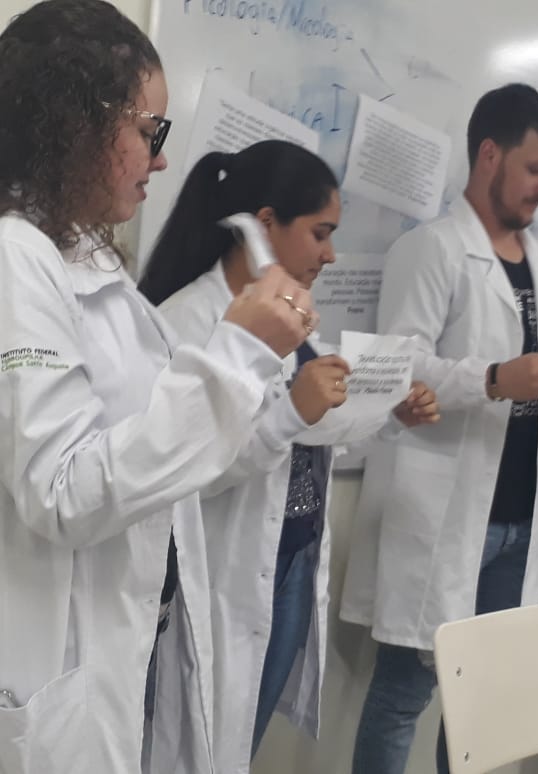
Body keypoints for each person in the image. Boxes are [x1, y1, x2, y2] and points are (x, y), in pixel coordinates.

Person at [0, 2, 313, 772]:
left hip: (131, 639)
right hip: (62, 668)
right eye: (150, 132)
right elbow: (62, 492)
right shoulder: (15, 258)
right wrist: (236, 355)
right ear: (77, 121)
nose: (161, 160)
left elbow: (159, 444)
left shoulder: (82, 256)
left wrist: (248, 368)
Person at [339, 82, 538, 774]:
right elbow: (400, 365)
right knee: (404, 693)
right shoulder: (430, 249)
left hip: (518, 516)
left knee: (483, 701)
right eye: (536, 168)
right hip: (445, 510)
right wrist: (491, 379)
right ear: (490, 154)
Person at [137, 139, 441, 772]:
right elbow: (178, 472)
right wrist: (291, 414)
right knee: (191, 748)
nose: (330, 254)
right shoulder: (184, 322)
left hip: (290, 564)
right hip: (219, 573)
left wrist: (389, 412)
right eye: (320, 233)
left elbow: (318, 426)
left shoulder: (293, 316)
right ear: (266, 223)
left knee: (237, 743)